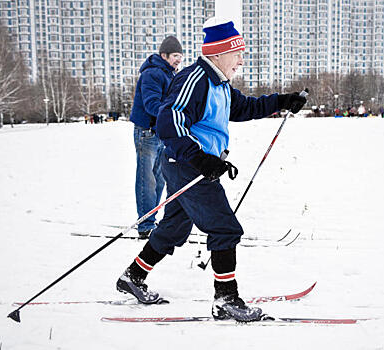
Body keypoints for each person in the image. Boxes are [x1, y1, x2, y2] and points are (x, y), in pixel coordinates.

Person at [116, 18, 307, 322]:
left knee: (173, 227)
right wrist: (201, 158)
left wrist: (283, 101)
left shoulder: (220, 85)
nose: (241, 61)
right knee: (224, 227)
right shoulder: (196, 80)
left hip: (190, 164)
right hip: (188, 165)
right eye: (237, 54)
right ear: (218, 54)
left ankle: (132, 276)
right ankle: (226, 299)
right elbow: (169, 120)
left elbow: (245, 108)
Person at [129, 36, 184, 239]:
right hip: (147, 133)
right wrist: (173, 112)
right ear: (164, 55)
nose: (179, 59)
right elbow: (152, 104)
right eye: (175, 56)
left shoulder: (169, 74)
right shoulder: (153, 73)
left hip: (160, 133)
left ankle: (151, 218)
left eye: (180, 56)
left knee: (160, 179)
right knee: (147, 180)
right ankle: (145, 225)